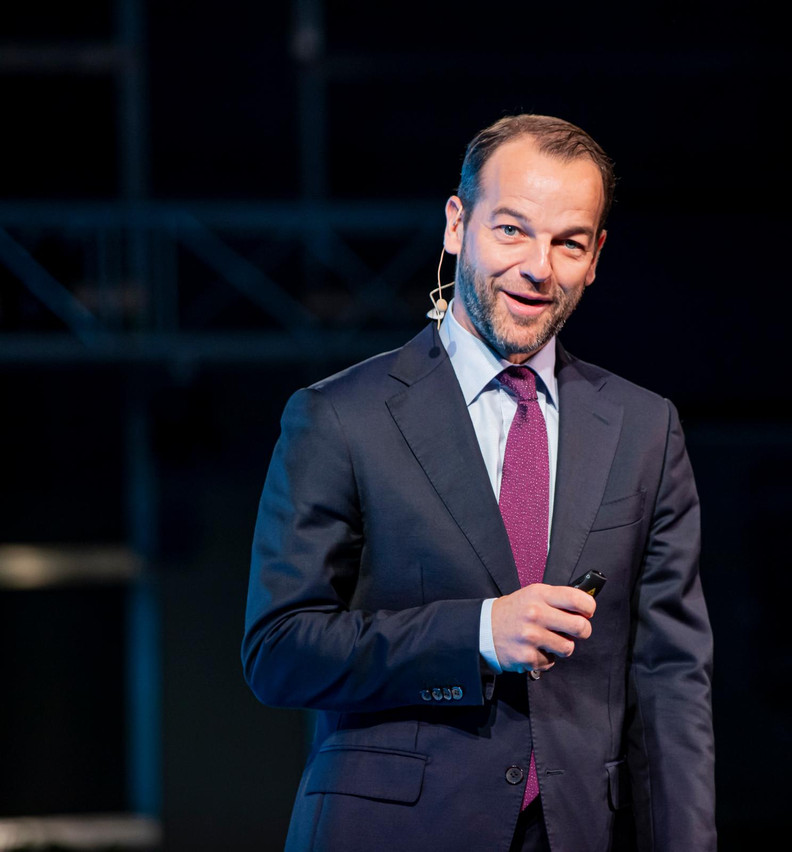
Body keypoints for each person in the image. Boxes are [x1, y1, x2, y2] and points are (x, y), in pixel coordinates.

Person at [241, 114, 715, 852]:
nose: (539, 267)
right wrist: (476, 634)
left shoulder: (644, 428)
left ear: (595, 258)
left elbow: (672, 681)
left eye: (569, 242)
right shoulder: (341, 418)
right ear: (458, 225)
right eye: (513, 231)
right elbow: (279, 649)